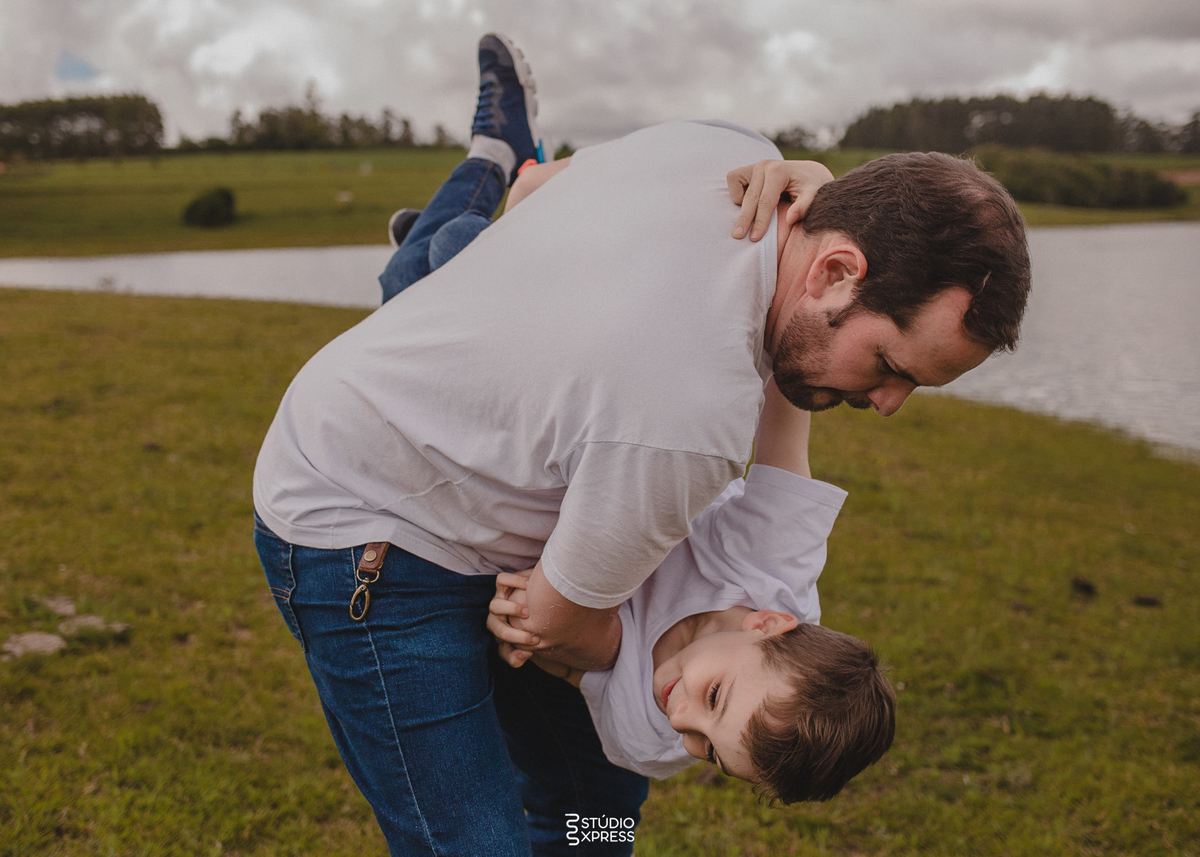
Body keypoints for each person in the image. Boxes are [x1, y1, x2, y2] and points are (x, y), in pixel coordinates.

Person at [253, 32, 1031, 857]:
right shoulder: (688, 426)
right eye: (889, 365)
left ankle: (569, 837)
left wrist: (820, 184)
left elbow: (550, 194)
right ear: (835, 270)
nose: (886, 405)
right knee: (473, 844)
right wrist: (560, 628)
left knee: (600, 809)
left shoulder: (731, 151)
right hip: (366, 520)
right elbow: (553, 626)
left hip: (491, 495)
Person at [488, 379, 895, 803]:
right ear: (766, 624)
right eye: (715, 697)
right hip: (627, 465)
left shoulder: (651, 739)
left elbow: (575, 669)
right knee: (598, 804)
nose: (681, 720)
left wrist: (526, 636)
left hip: (575, 667)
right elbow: (787, 411)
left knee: (594, 814)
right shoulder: (774, 559)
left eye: (711, 752)